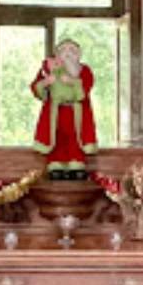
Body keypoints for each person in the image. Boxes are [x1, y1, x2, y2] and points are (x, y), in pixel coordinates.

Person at [30, 38, 98, 180]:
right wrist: (46, 82)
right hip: (56, 112)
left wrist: (73, 81)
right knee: (56, 137)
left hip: (76, 112)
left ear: (78, 54)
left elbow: (86, 86)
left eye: (72, 50)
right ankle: (56, 164)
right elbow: (36, 87)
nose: (68, 54)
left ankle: (76, 163)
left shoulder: (84, 70)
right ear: (57, 54)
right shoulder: (49, 69)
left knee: (76, 138)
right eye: (64, 50)